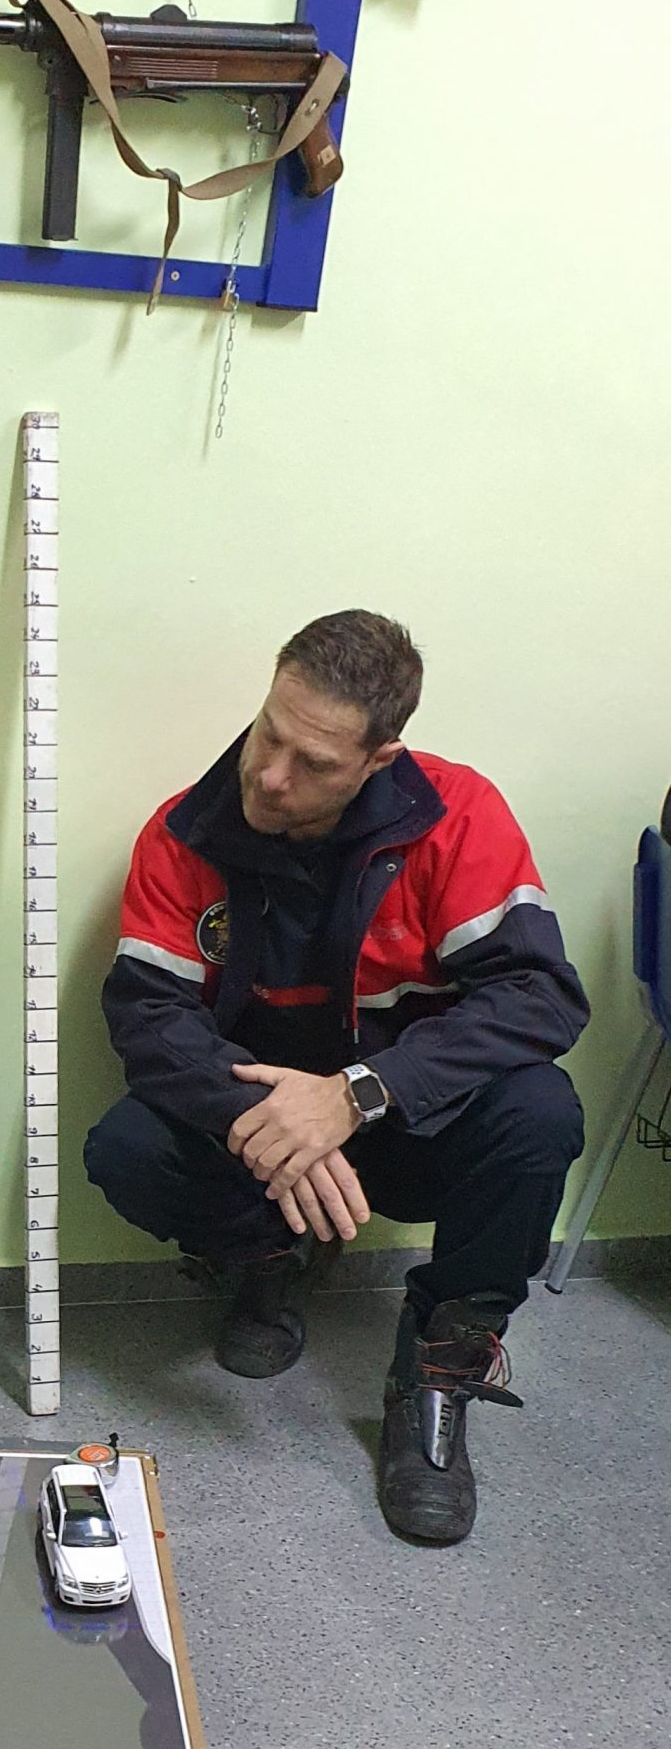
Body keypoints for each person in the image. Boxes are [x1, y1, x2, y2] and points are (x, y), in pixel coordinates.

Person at [84, 611, 588, 1546]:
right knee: (127, 1147)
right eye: (269, 733)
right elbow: (148, 1018)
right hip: (268, 1137)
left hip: (408, 1126)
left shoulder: (458, 814)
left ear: (378, 758)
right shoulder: (186, 830)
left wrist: (354, 1095)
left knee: (539, 1112)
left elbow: (542, 998)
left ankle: (437, 1375)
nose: (271, 776)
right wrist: (276, 1126)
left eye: (313, 762)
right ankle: (268, 1262)